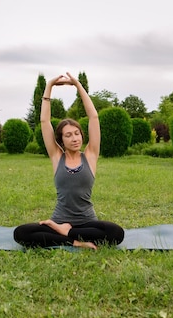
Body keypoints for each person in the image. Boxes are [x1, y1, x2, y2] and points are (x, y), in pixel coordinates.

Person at [13, 72, 125, 250]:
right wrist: (49, 86)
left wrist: (78, 85)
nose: (74, 138)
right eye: (68, 135)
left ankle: (67, 234)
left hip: (87, 222)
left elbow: (93, 117)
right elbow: (44, 121)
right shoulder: (57, 157)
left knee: (117, 233)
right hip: (59, 220)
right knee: (21, 233)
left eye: (77, 133)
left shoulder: (90, 155)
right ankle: (74, 241)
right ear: (61, 140)